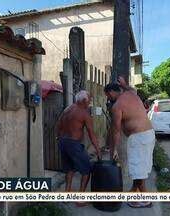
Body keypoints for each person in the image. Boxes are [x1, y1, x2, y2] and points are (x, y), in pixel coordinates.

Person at [104, 77, 155, 208]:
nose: (108, 98)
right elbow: (131, 89)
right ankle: (133, 193)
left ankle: (146, 199)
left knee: (138, 170)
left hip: (138, 138)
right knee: (140, 169)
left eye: (107, 95)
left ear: (110, 92)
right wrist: (125, 85)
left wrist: (113, 149)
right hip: (149, 135)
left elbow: (116, 131)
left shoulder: (117, 106)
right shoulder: (132, 94)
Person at [56, 90, 101, 206]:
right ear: (84, 100)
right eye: (89, 100)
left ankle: (66, 195)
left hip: (63, 142)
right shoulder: (84, 113)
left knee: (69, 169)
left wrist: (59, 139)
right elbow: (91, 134)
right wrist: (98, 150)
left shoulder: (67, 109)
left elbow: (58, 125)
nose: (90, 102)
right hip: (73, 144)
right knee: (86, 170)